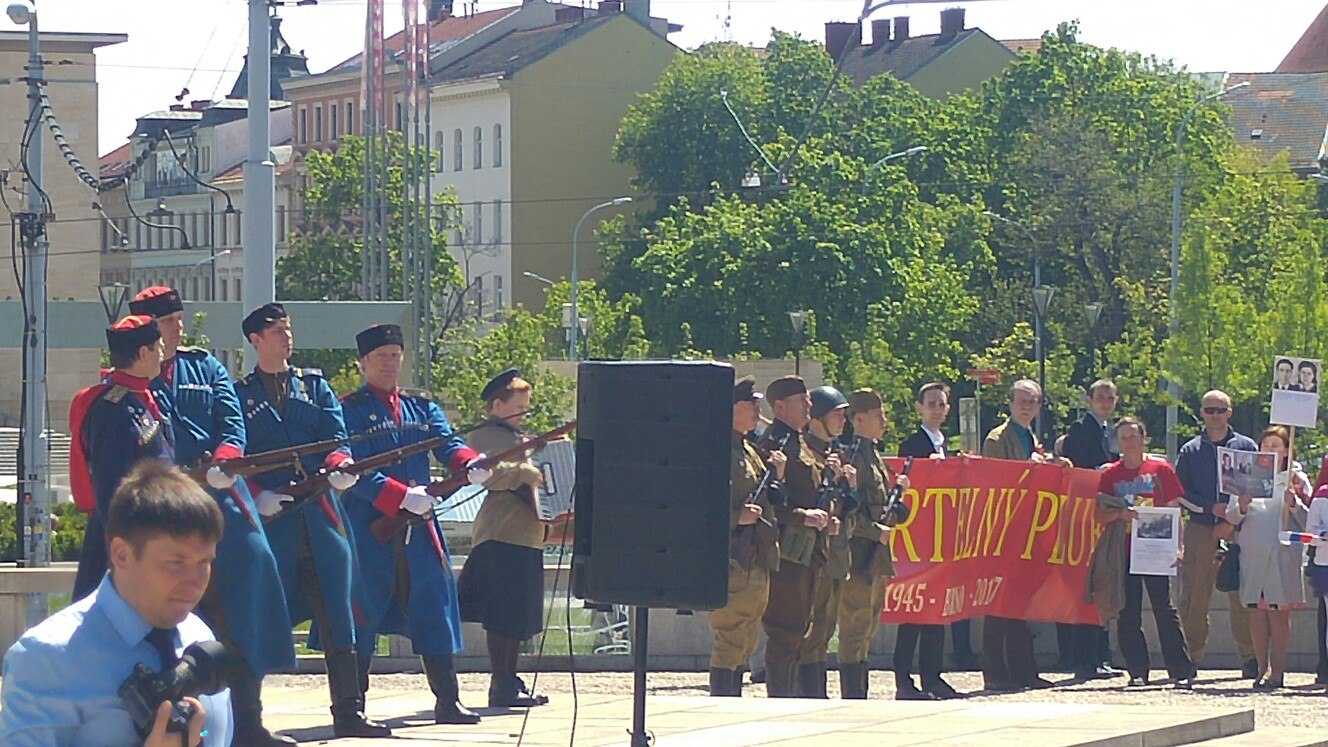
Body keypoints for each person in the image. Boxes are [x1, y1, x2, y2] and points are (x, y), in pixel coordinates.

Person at [127, 286, 295, 746]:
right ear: (147, 330)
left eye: (180, 319)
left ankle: (250, 720)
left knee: (253, 576)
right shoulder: (134, 377)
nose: (179, 327)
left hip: (222, 494)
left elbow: (232, 420)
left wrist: (226, 458)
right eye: (169, 322)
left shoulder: (205, 365)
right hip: (168, 502)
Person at [232, 303, 389, 738]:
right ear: (255, 340)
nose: (286, 337)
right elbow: (237, 452)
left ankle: (349, 712)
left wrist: (340, 465)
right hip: (274, 521)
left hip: (319, 518)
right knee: (260, 616)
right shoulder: (241, 395)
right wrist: (258, 495)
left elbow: (336, 438)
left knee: (340, 614)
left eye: (288, 329)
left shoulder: (314, 386)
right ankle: (250, 719)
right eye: (277, 331)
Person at [0, 461, 231, 746]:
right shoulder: (47, 658)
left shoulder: (200, 641)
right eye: (176, 563)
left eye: (204, 562)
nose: (195, 581)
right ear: (122, 554)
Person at [341, 325, 488, 723]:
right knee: (363, 611)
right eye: (380, 356)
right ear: (364, 363)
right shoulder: (348, 409)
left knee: (433, 605)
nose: (389, 363)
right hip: (370, 525)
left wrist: (467, 464)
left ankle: (447, 699)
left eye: (394, 355)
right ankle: (353, 706)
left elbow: (448, 442)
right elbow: (353, 469)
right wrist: (399, 496)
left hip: (419, 525)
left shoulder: (421, 407)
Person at [459, 368, 554, 708]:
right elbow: (487, 474)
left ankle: (510, 679)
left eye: (527, 406)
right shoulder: (486, 435)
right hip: (502, 533)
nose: (524, 413)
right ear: (497, 405)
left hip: (527, 534)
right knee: (502, 615)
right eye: (518, 406)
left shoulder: (519, 437)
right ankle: (501, 683)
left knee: (519, 615)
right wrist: (523, 471)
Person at [70, 315, 175, 601]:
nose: (163, 353)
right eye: (158, 346)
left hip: (152, 533)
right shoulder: (111, 410)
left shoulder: (143, 398)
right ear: (143, 353)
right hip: (127, 542)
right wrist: (125, 550)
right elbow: (111, 490)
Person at [1093, 417, 1194, 688]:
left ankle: (1181, 670)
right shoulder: (1110, 475)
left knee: (1165, 609)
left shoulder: (1160, 469)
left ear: (1144, 438)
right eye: (1123, 438)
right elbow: (1098, 515)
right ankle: (1137, 670)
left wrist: (1179, 546)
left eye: (1133, 436)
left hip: (1157, 547)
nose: (1129, 442)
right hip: (1124, 551)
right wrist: (1119, 514)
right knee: (1128, 612)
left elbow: (1175, 510)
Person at [756, 376, 835, 697]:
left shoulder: (801, 442)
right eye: (801, 401)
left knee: (802, 628)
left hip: (809, 548)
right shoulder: (773, 445)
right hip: (787, 550)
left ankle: (795, 695)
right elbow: (767, 502)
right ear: (779, 407)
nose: (809, 406)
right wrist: (804, 516)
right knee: (784, 630)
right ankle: (780, 697)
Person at [707, 376, 785, 696]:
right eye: (749, 405)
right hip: (732, 557)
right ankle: (722, 700)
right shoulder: (718, 451)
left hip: (753, 556)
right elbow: (704, 504)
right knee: (730, 636)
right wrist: (735, 518)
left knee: (747, 637)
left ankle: (733, 698)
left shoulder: (747, 449)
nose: (757, 410)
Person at [979, 379, 1058, 691]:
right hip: (1004, 530)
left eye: (1033, 401)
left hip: (1030, 529)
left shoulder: (1031, 436)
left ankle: (1024, 670)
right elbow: (995, 480)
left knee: (1022, 603)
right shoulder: (997, 438)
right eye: (1022, 401)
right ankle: (995, 672)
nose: (1027, 406)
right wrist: (1030, 467)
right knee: (998, 602)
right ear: (1010, 404)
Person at [839, 389, 916, 699]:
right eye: (877, 414)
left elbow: (881, 506)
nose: (884, 420)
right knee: (855, 627)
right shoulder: (854, 456)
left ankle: (861, 691)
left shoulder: (873, 455)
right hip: (859, 555)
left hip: (876, 557)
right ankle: (852, 695)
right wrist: (875, 532)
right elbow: (848, 513)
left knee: (868, 627)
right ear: (859, 418)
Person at [1174, 390, 1257, 678]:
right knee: (1195, 597)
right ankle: (1191, 658)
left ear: (1230, 412)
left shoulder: (1247, 446)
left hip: (1240, 531)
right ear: (1202, 413)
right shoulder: (1190, 451)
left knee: (1242, 597)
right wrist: (1212, 508)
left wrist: (1231, 520)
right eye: (1210, 410)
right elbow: (1180, 492)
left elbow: (1257, 490)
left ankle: (1251, 658)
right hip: (1200, 529)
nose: (1215, 415)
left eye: (1220, 410)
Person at [1224, 426, 1309, 690]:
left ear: (1286, 450)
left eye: (1277, 445)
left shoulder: (1296, 479)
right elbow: (1231, 516)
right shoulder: (1245, 476)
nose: (1271, 449)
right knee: (1257, 613)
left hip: (1282, 553)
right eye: (1267, 444)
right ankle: (1261, 667)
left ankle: (1278, 670)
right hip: (1253, 553)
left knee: (1278, 614)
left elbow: (1310, 520)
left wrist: (1293, 504)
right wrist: (1242, 506)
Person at [894, 382, 961, 698]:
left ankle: (932, 677)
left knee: (937, 611)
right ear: (920, 408)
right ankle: (903, 679)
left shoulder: (949, 446)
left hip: (941, 538)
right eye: (931, 403)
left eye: (941, 404)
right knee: (912, 612)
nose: (936, 408)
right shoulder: (912, 443)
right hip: (917, 537)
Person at [1058, 379, 1123, 681]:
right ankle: (1085, 659)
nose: (1106, 402)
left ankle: (1102, 655)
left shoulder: (1113, 432)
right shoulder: (1080, 430)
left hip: (1110, 516)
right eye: (1100, 397)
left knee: (1105, 587)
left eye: (1110, 398)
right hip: (1086, 516)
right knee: (1087, 587)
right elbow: (1077, 470)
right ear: (1089, 400)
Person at [795, 386, 854, 698]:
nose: (843, 420)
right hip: (813, 555)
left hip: (835, 554)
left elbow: (847, 505)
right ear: (817, 418)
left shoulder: (836, 455)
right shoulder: (807, 453)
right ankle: (806, 692)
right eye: (837, 414)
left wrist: (848, 485)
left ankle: (817, 691)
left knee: (825, 628)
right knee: (811, 629)